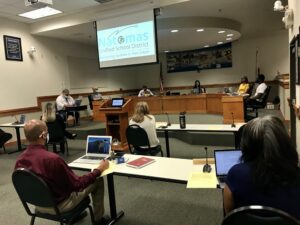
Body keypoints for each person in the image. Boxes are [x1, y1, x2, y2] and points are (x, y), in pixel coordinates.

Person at [14, 119, 110, 225]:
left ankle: (76, 215)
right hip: (59, 206)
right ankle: (99, 220)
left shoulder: (19, 160)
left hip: (37, 204)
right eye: (46, 131)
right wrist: (98, 170)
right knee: (97, 180)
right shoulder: (53, 159)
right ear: (44, 135)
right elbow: (78, 185)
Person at [223, 115, 300, 219]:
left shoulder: (235, 174)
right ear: (285, 143)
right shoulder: (296, 175)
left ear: (246, 145)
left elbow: (230, 216)